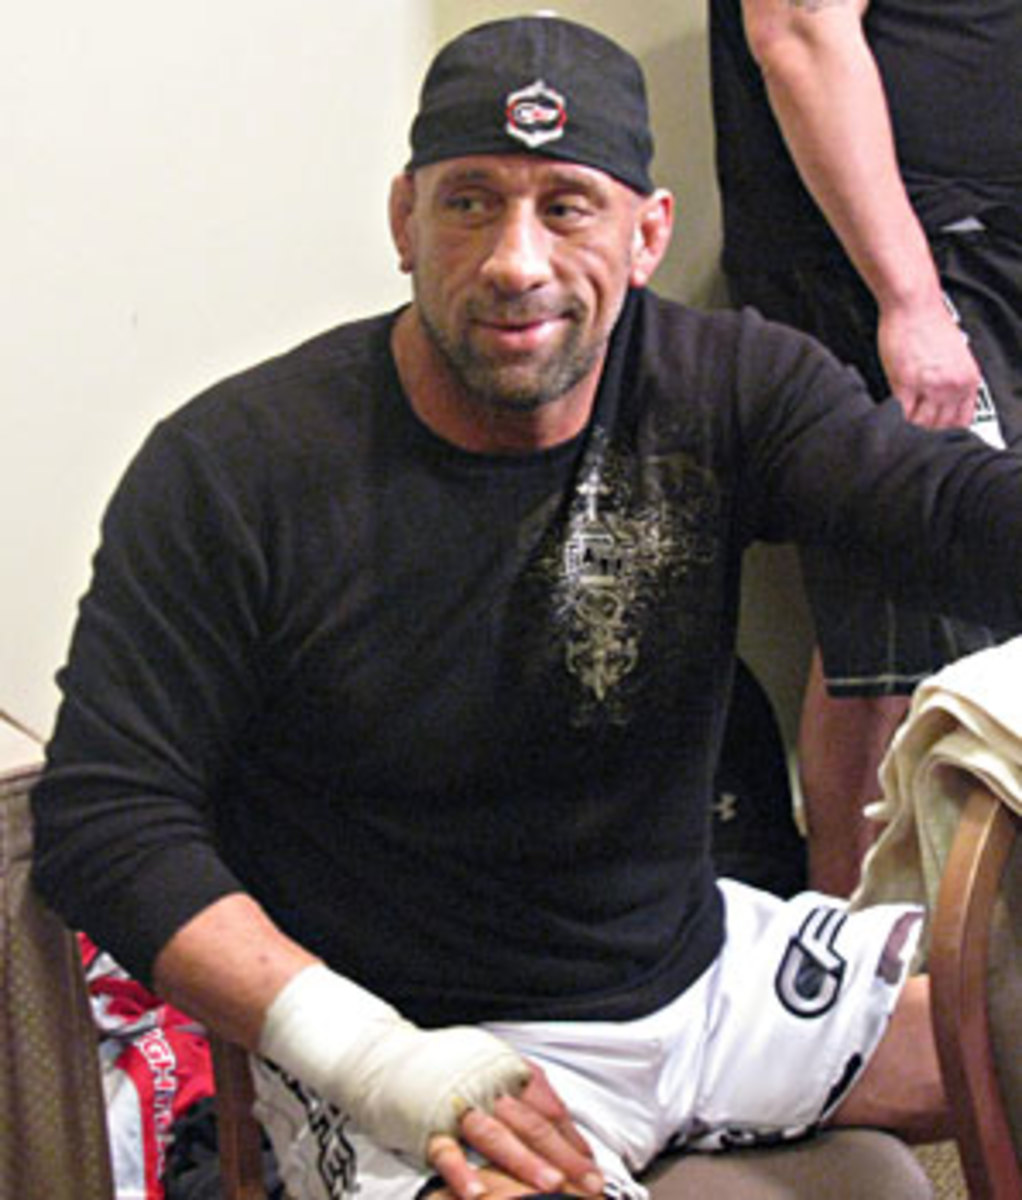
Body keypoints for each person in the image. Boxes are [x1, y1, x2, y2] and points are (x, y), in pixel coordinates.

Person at [30, 16, 1022, 1200]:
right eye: (469, 203)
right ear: (403, 219)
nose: (515, 261)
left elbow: (945, 510)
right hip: (427, 1037)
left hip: (698, 978)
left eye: (566, 207)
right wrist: (368, 1055)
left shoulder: (724, 384)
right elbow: (106, 818)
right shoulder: (235, 468)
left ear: (646, 234)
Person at [709, 0, 1022, 894]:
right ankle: (859, 951)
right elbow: (799, 31)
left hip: (985, 245)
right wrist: (910, 301)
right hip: (912, 257)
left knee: (903, 627)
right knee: (902, 642)